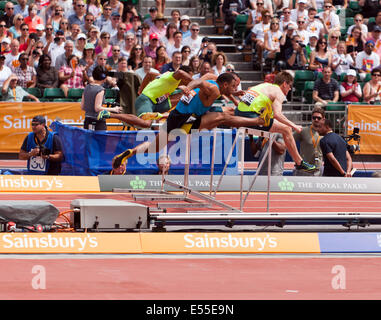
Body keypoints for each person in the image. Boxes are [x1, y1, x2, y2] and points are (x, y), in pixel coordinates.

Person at [108, 72, 266, 169]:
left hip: (182, 116)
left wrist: (236, 94)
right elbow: (198, 82)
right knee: (225, 116)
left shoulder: (214, 79)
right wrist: (188, 87)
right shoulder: (213, 88)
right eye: (233, 86)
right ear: (225, 84)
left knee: (155, 147)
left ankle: (129, 153)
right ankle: (258, 121)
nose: (234, 88)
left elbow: (214, 85)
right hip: (183, 119)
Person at [234, 71, 317, 172]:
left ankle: (297, 161)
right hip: (249, 116)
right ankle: (299, 162)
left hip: (238, 112)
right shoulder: (279, 92)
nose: (290, 89)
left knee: (271, 121)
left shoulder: (264, 85)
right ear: (284, 84)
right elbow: (278, 114)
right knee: (286, 129)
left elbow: (249, 90)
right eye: (289, 86)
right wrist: (294, 126)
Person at [81, 65, 122, 130]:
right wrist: (114, 109)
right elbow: (97, 108)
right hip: (98, 122)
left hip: (87, 120)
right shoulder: (100, 90)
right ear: (104, 77)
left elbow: (82, 107)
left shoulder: (87, 87)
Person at [293, 107, 325, 176]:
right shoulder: (303, 131)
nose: (316, 119)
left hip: (318, 170)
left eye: (319, 118)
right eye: (314, 117)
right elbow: (289, 140)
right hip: (304, 170)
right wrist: (296, 158)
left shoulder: (325, 133)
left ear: (323, 119)